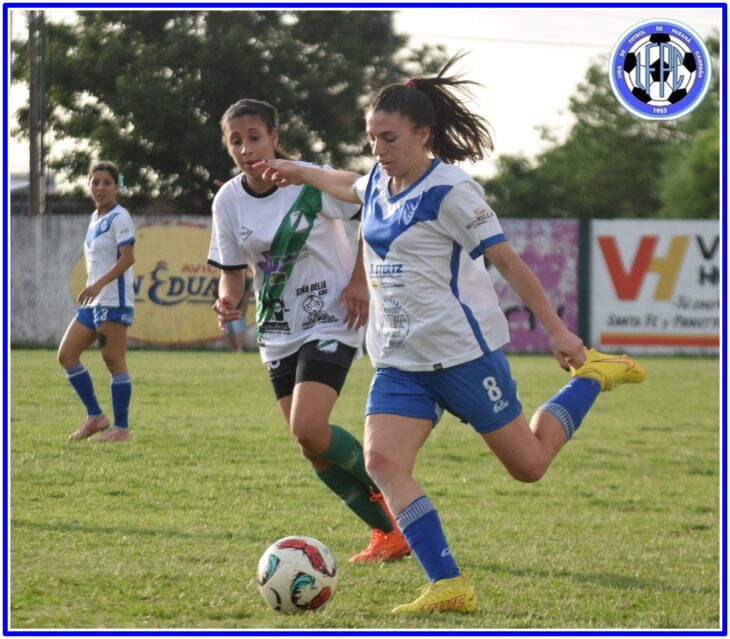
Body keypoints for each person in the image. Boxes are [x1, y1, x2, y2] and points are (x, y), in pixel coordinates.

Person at [256, 53, 646, 613]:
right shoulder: (379, 185)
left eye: (389, 138)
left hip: (464, 356)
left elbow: (511, 265)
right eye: (372, 139)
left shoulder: (453, 193)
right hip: (399, 361)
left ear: (422, 134)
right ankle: (448, 584)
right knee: (383, 462)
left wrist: (559, 332)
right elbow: (347, 183)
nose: (378, 150)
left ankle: (592, 376)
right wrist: (295, 169)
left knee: (529, 466)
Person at [207, 98, 409, 563]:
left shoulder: (307, 179)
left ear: (274, 137)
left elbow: (371, 212)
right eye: (235, 140)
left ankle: (399, 497)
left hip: (333, 316)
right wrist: (227, 299)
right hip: (277, 327)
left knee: (308, 425)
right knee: (311, 446)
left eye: (254, 136)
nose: (246, 147)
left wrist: (360, 280)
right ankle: (389, 534)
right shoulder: (228, 200)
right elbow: (233, 270)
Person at [58, 161, 135, 443]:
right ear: (89, 186)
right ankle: (95, 417)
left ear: (116, 186)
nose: (100, 187)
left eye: (106, 182)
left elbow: (128, 258)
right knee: (66, 355)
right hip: (94, 303)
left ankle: (122, 430)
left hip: (113, 301)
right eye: (95, 182)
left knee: (114, 361)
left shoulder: (120, 217)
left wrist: (98, 284)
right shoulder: (95, 217)